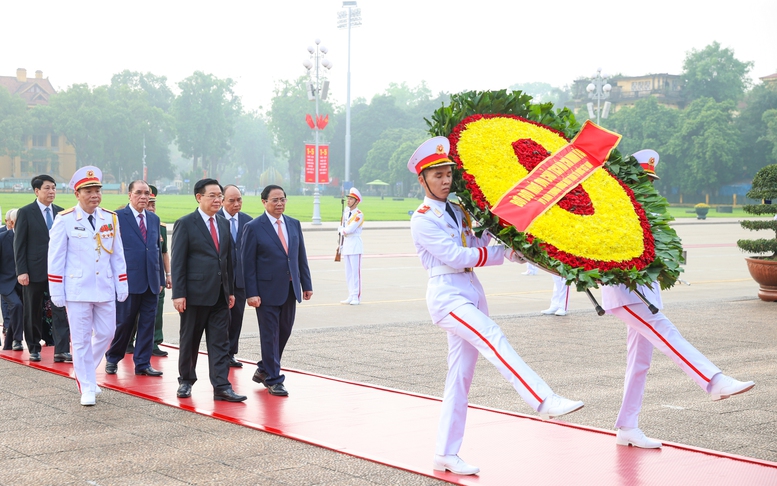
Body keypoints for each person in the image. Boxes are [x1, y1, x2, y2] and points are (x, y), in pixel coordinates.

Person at [408, 137, 584, 476]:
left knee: (459, 378)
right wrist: (501, 253)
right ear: (422, 179)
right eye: (437, 175)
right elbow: (456, 256)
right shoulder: (423, 218)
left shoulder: (458, 210)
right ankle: (542, 400)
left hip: (471, 290)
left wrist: (510, 240)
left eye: (448, 174)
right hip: (447, 296)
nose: (445, 180)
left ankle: (445, 453)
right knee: (492, 335)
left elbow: (475, 243)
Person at [603, 150, 755, 449]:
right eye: (641, 178)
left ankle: (627, 426)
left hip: (645, 294)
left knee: (639, 363)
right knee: (666, 333)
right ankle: (712, 381)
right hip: (625, 293)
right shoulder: (613, 206)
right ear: (626, 178)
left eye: (649, 179)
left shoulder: (645, 208)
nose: (647, 183)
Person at [48, 166, 129, 406]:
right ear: (77, 193)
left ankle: (83, 373)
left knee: (107, 333)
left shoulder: (109, 217)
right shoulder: (65, 220)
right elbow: (56, 257)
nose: (95, 195)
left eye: (97, 191)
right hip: (78, 289)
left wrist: (121, 282)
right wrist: (56, 289)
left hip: (104, 287)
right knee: (81, 339)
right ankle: (87, 386)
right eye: (89, 191)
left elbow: (117, 254)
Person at [171, 179, 246, 402]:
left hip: (221, 295)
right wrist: (178, 293)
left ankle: (221, 386)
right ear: (198, 197)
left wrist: (230, 290)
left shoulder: (223, 223)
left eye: (219, 196)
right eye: (212, 195)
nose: (217, 200)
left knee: (220, 342)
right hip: (194, 295)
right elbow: (178, 262)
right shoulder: (185, 223)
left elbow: (227, 260)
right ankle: (186, 380)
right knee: (190, 340)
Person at [242, 184, 313, 397]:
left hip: (290, 289)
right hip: (265, 292)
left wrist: (306, 284)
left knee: (284, 332)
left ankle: (264, 368)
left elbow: (300, 256)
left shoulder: (293, 224)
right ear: (264, 202)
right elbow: (247, 264)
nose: (279, 203)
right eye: (275, 200)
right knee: (269, 335)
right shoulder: (254, 227)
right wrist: (251, 293)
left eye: (282, 199)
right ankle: (274, 379)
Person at [104, 181, 165, 377]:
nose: (143, 197)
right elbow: (110, 250)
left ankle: (143, 363)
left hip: (151, 281)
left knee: (148, 324)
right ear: (129, 195)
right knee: (124, 323)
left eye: (146, 193)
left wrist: (161, 277)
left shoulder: (154, 219)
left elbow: (155, 250)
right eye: (138, 193)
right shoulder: (117, 217)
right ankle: (113, 357)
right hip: (128, 280)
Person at [14, 174, 71, 363]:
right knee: (33, 310)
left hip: (57, 272)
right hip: (33, 271)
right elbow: (19, 244)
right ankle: (34, 347)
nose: (52, 191)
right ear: (37, 191)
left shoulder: (61, 213)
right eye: (47, 188)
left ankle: (61, 349)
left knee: (60, 309)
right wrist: (21, 271)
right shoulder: (26, 212)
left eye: (54, 188)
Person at [218, 184, 253, 367]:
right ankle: (219, 353)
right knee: (221, 318)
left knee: (236, 317)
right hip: (220, 280)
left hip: (240, 280)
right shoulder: (214, 220)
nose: (236, 204)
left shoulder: (248, 221)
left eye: (239, 199)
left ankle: (231, 352)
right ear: (222, 200)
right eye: (231, 200)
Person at [147, 186, 171, 357]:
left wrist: (168, 275)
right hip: (139, 275)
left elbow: (164, 252)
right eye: (148, 204)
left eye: (153, 204)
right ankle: (129, 341)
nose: (151, 208)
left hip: (157, 275)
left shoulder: (160, 226)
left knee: (158, 310)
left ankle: (155, 342)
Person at [0, 209, 24, 352]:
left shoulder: (28, 239)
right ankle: (17, 340)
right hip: (5, 283)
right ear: (13, 223)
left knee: (22, 310)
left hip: (25, 282)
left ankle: (9, 343)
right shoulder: (2, 238)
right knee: (16, 306)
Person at [338, 187, 364, 305]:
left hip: (355, 244)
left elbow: (350, 229)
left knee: (355, 273)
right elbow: (344, 231)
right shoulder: (346, 213)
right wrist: (340, 244)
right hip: (347, 244)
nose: (348, 201)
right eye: (348, 198)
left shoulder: (359, 215)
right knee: (348, 272)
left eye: (351, 199)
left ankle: (356, 296)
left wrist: (342, 230)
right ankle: (350, 294)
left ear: (356, 201)